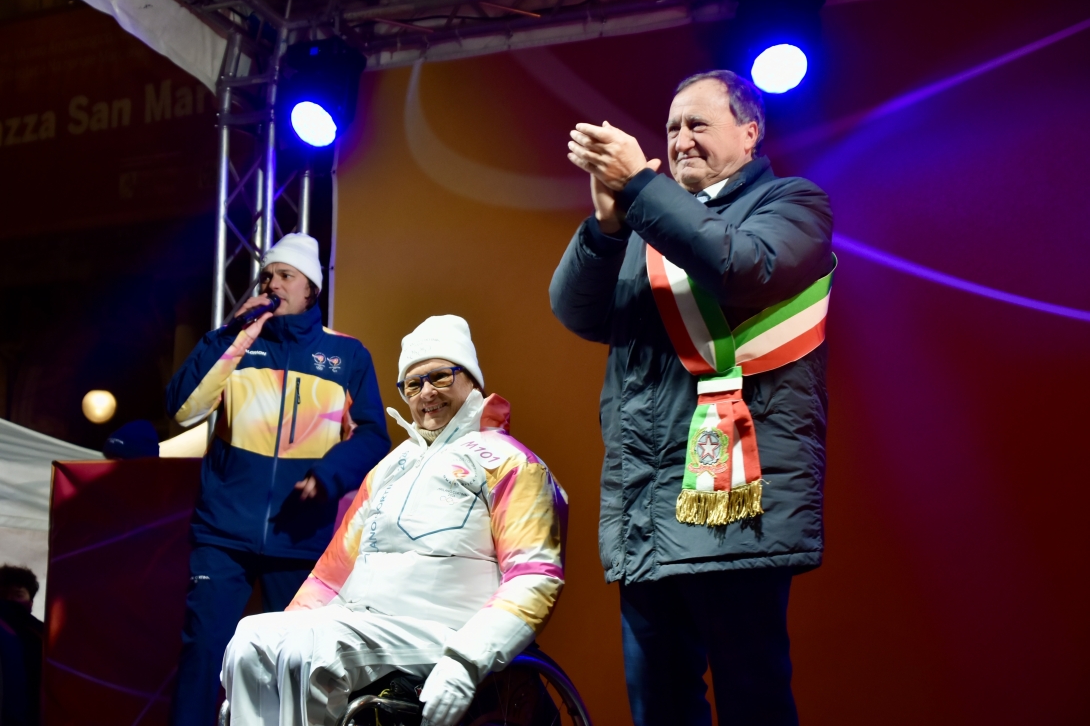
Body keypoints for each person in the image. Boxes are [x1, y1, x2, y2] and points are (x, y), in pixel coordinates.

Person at [551, 70, 834, 726]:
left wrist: (643, 190)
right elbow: (576, 310)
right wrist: (607, 222)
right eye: (672, 126)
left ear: (750, 131)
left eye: (697, 124)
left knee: (751, 699)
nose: (679, 139)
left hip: (737, 501)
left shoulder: (793, 204)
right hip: (647, 502)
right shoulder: (649, 225)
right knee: (660, 705)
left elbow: (741, 266)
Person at [221, 315, 567, 726]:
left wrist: (466, 661)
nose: (426, 394)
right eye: (413, 384)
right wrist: (262, 676)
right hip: (364, 626)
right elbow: (328, 579)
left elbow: (535, 575)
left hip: (444, 631)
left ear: (471, 380)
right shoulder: (389, 468)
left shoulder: (511, 462)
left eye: (439, 377)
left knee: (310, 653)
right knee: (251, 640)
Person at [165, 233, 391, 726]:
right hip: (223, 530)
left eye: (286, 275)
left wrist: (328, 475)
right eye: (268, 275)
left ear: (311, 288)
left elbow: (375, 435)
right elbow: (182, 409)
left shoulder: (346, 355)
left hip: (298, 534)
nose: (272, 284)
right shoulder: (238, 345)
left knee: (293, 665)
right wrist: (231, 333)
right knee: (204, 652)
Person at [0, 565, 44, 726]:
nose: (9, 600)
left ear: (30, 603)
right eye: (3, 595)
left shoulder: (42, 635)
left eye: (18, 595)